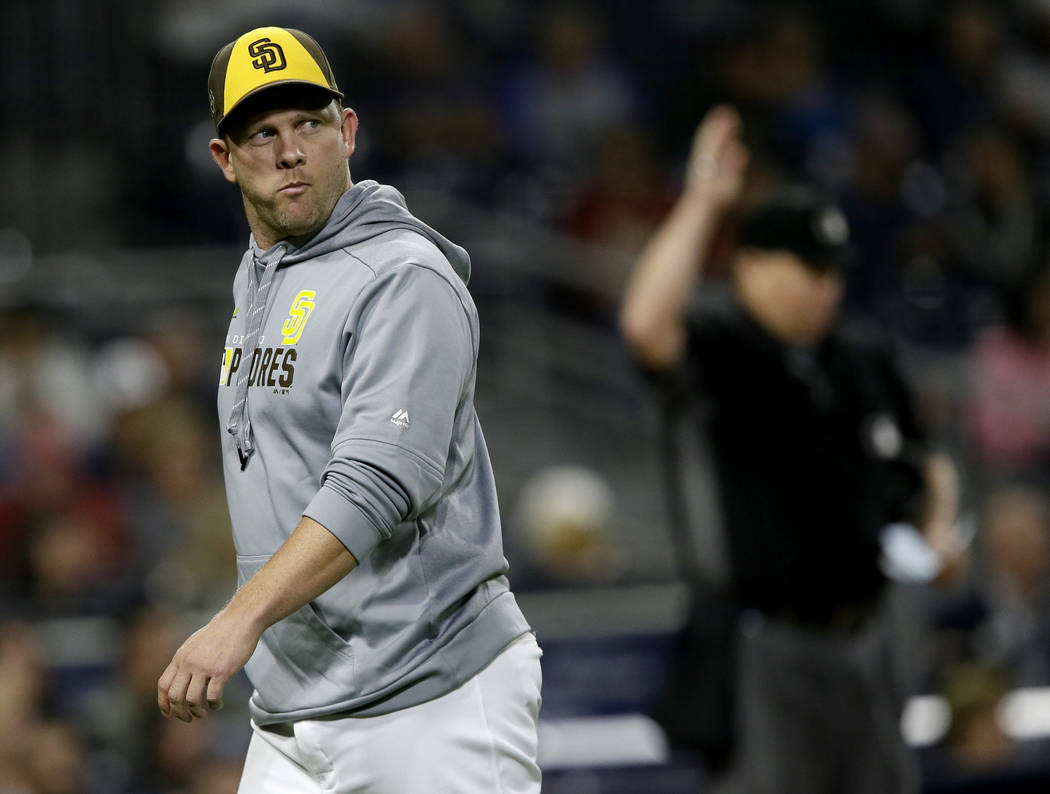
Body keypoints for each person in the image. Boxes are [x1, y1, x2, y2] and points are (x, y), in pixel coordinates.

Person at [156, 26, 541, 794]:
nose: (292, 151)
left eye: (311, 124)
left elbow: (377, 484)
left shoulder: (401, 276)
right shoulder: (260, 277)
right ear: (225, 160)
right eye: (263, 133)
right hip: (296, 712)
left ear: (349, 131)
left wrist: (238, 620)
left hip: (430, 699)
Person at [619, 105, 967, 794]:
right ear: (751, 266)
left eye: (833, 270)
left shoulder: (859, 354)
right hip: (764, 646)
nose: (826, 286)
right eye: (809, 268)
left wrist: (938, 530)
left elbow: (927, 458)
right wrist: (704, 202)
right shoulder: (722, 345)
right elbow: (645, 326)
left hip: (868, 637)